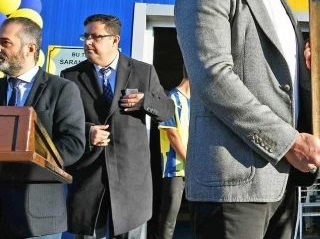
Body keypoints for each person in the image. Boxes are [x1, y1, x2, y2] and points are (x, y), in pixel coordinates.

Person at [175, 0, 320, 239]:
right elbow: (212, 76)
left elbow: (284, 85)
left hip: (282, 179)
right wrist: (289, 142)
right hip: (234, 181)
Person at [62, 14, 174, 239]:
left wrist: (146, 101)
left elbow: (167, 110)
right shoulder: (71, 76)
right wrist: (87, 131)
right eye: (85, 36)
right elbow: (63, 123)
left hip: (130, 179)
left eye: (95, 37)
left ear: (115, 40)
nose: (88, 42)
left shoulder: (143, 72)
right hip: (89, 178)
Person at [0, 17, 86, 239]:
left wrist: (29, 160)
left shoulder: (62, 89)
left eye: (5, 42)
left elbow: (73, 143)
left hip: (38, 216)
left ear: (30, 48)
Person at [156, 68, 191, 239]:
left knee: (200, 215)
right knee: (170, 215)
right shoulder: (170, 98)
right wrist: (190, 160)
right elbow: (172, 134)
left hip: (196, 168)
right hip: (175, 167)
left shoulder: (198, 101)